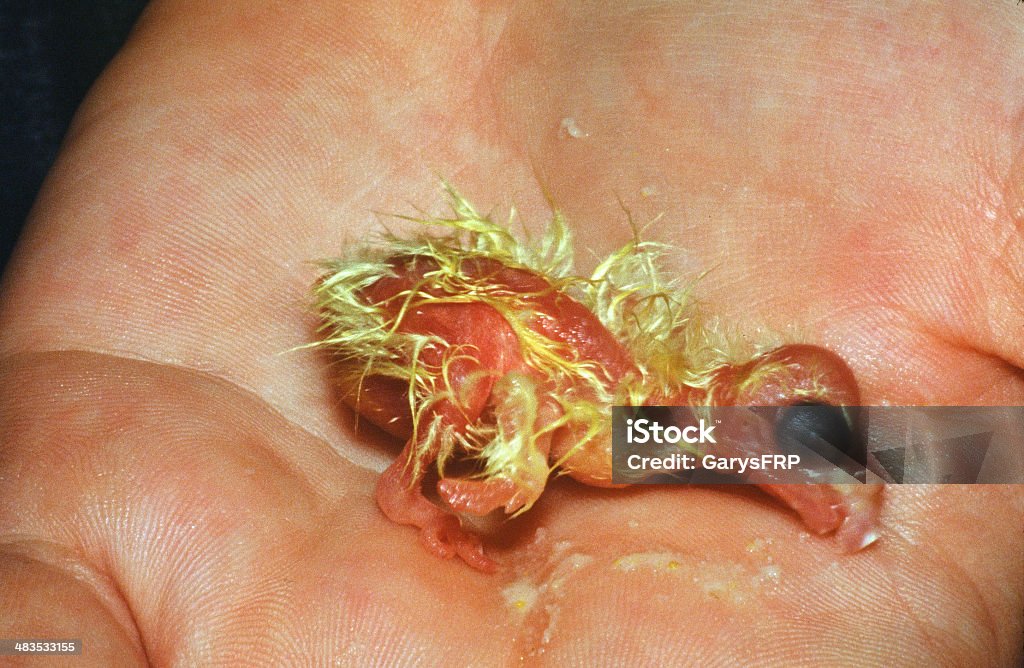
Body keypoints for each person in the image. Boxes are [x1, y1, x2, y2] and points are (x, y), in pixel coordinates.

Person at [0, 2, 1021, 664]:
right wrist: (459, 489)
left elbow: (573, 439)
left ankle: (837, 455)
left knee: (685, 431)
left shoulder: (594, 400)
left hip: (597, 406)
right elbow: (453, 459)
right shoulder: (518, 375)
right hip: (565, 398)